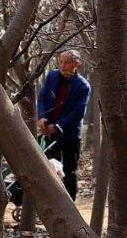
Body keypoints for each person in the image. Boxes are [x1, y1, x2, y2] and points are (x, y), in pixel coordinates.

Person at [36, 49, 91, 201]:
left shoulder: (83, 86)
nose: (62, 65)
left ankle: (70, 205)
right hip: (50, 132)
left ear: (76, 64)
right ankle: (51, 202)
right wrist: (42, 118)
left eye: (66, 62)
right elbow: (42, 98)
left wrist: (58, 126)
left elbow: (78, 113)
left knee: (69, 171)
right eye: (61, 61)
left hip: (70, 135)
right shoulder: (52, 76)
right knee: (51, 168)